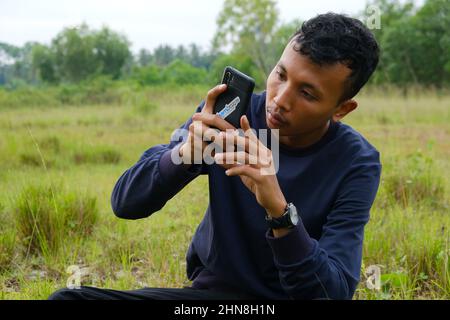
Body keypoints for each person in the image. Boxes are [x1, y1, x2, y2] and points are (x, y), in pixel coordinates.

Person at [49, 12, 381, 300]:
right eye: (281, 75)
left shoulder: (357, 161)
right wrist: (186, 153)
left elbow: (331, 292)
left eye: (307, 93)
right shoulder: (231, 114)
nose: (279, 100)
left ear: (341, 109)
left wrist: (278, 211)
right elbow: (125, 203)